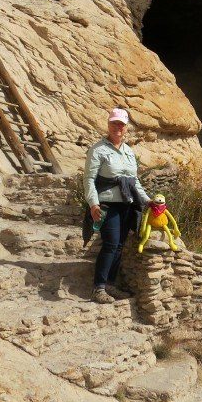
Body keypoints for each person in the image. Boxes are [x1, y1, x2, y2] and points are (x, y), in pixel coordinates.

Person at [84, 107, 150, 303]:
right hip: (107, 204)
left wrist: (147, 200)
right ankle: (99, 288)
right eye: (114, 123)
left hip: (126, 203)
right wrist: (93, 204)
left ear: (126, 127)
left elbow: (133, 181)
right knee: (111, 243)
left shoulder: (128, 151)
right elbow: (89, 179)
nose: (117, 127)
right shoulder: (98, 150)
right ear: (108, 124)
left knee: (119, 245)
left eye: (121, 124)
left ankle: (110, 285)